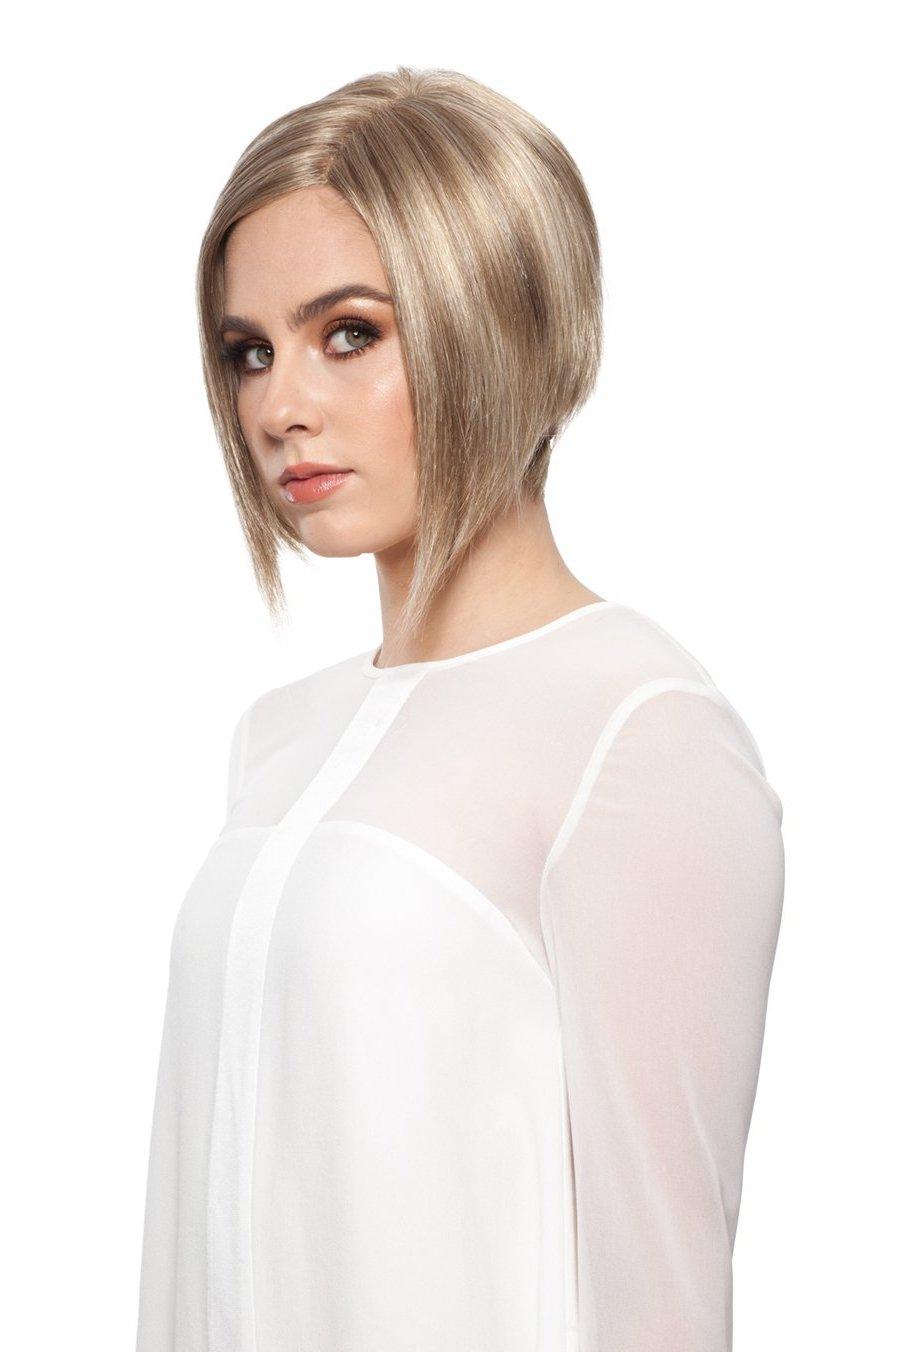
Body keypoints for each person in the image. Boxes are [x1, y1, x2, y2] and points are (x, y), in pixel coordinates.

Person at [135, 65, 785, 1352]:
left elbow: (661, 1291)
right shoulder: (278, 736)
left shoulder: (636, 730)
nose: (279, 406)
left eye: (349, 333)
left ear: (494, 313)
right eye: (249, 351)